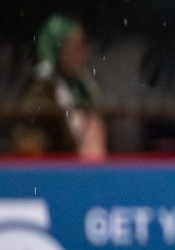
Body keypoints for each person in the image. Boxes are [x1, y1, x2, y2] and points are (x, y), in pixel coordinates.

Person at [11, 15, 108, 160]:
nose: (84, 52)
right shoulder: (40, 91)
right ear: (57, 49)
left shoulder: (82, 88)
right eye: (76, 46)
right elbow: (29, 148)